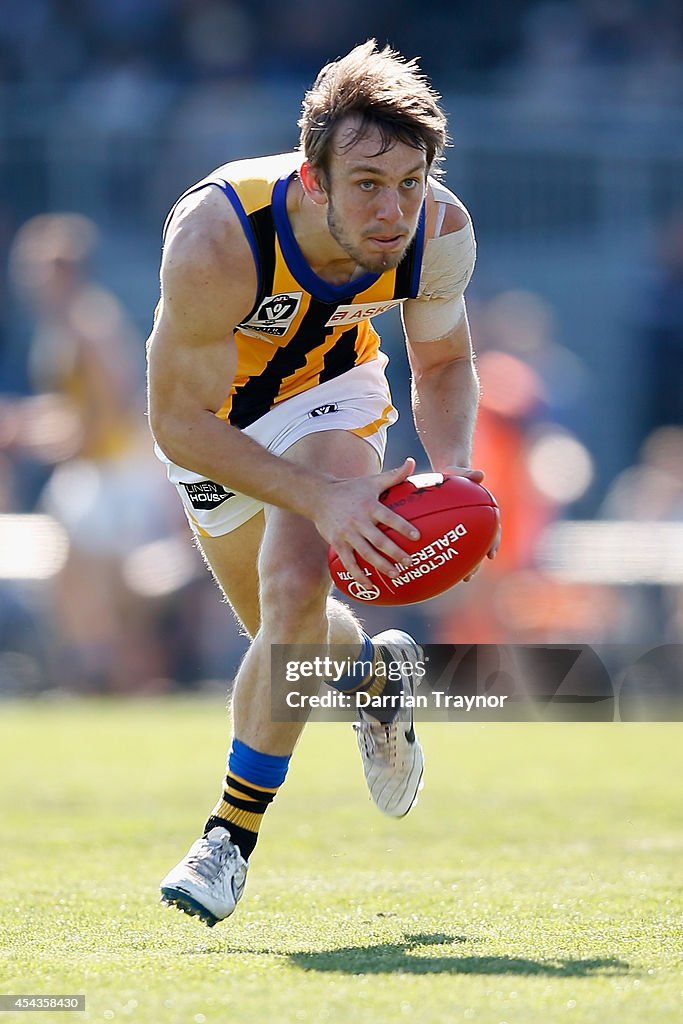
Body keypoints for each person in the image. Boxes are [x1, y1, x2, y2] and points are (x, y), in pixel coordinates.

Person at [147, 39, 497, 927]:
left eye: (410, 182)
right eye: (368, 183)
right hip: (213, 430)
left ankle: (228, 837)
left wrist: (452, 465)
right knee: (288, 636)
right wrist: (321, 502)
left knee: (293, 585)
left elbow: (445, 360)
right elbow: (178, 422)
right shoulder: (218, 236)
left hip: (333, 396)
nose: (393, 209)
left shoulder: (439, 231)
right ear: (313, 177)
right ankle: (376, 685)